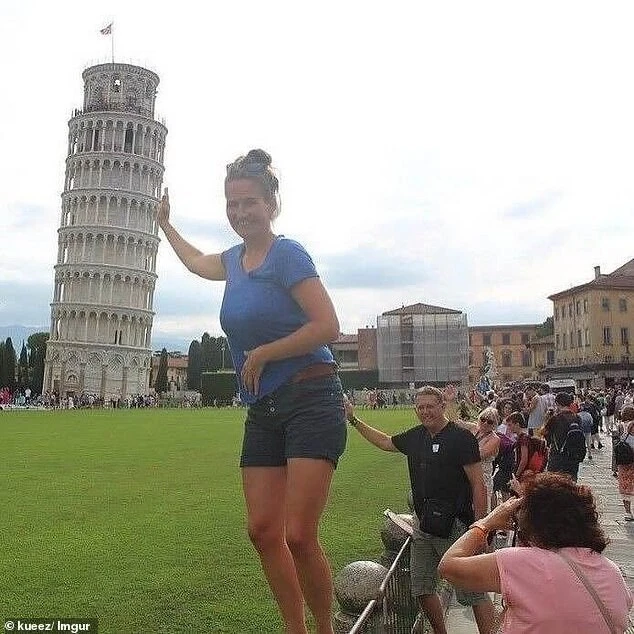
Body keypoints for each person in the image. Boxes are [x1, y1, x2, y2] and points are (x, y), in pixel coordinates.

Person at [157, 149, 346, 634]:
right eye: (232, 204)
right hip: (264, 408)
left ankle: (325, 629)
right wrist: (165, 225)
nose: (240, 212)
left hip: (311, 398)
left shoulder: (287, 254)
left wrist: (265, 353)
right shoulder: (234, 261)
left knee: (299, 535)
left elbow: (328, 325)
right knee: (263, 531)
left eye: (250, 202)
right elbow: (196, 262)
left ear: (271, 204)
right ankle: (294, 629)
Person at [344, 386, 495, 634]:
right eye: (421, 407)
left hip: (456, 525)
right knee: (422, 588)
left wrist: (480, 528)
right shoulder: (417, 436)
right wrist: (353, 419)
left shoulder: (461, 438)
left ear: (442, 406)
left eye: (430, 406)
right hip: (423, 525)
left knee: (472, 592)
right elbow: (385, 442)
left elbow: (478, 484)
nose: (425, 412)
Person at [438, 472, 633, 633]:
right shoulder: (611, 571)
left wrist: (486, 523)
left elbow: (448, 567)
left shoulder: (524, 563)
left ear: (533, 523)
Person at [543, 391, 585, 481]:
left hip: (557, 457)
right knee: (571, 483)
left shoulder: (555, 418)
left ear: (557, 403)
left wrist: (546, 419)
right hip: (573, 456)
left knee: (554, 484)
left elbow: (543, 432)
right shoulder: (577, 418)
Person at [616, 405, 634, 522]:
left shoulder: (620, 425)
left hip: (624, 459)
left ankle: (627, 512)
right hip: (633, 457)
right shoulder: (633, 425)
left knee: (625, 485)